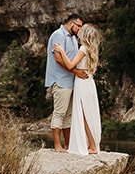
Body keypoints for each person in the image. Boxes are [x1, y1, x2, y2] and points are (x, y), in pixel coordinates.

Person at [44, 14, 83, 152]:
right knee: (59, 113)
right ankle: (57, 145)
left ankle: (68, 144)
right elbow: (59, 59)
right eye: (78, 26)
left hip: (71, 81)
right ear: (71, 23)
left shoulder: (73, 38)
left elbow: (72, 59)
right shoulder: (58, 35)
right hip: (60, 80)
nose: (79, 29)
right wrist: (76, 73)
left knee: (69, 114)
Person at [66, 24, 102, 155]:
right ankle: (92, 144)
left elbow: (70, 65)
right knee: (89, 113)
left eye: (81, 30)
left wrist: (61, 52)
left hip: (82, 83)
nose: (78, 31)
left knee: (85, 114)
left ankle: (92, 146)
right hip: (89, 82)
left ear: (84, 35)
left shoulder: (83, 49)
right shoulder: (92, 49)